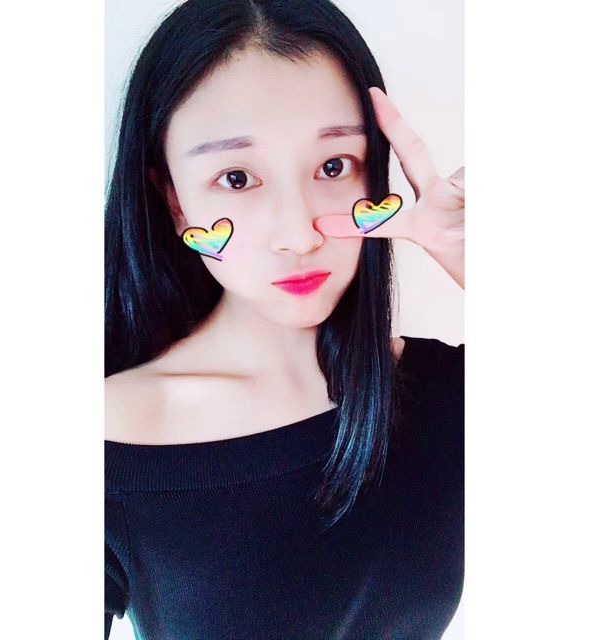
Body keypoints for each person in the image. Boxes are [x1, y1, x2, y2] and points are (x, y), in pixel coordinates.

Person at [105, 0, 465, 638]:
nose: (298, 235)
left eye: (333, 167)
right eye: (236, 177)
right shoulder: (107, 439)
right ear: (175, 201)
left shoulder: (447, 392)